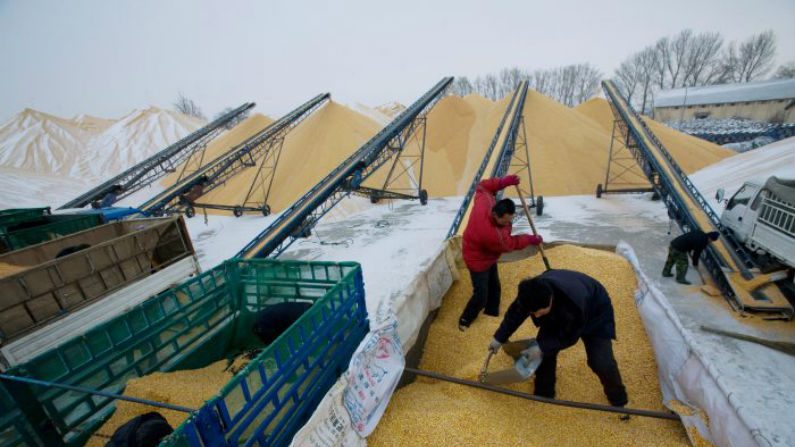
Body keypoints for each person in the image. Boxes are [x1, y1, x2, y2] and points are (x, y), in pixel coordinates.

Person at [488, 270, 628, 407]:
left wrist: (540, 348)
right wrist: (499, 337)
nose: (536, 316)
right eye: (532, 312)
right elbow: (515, 314)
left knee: (601, 362)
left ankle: (618, 400)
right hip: (564, 307)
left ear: (550, 300)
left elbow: (569, 336)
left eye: (539, 312)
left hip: (595, 312)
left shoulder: (573, 303)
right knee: (544, 353)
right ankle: (544, 394)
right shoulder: (530, 293)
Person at [458, 175, 543, 331]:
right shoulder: (493, 235)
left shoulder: (486, 201)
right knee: (481, 295)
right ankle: (465, 320)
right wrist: (530, 239)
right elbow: (511, 244)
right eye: (505, 221)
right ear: (496, 215)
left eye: (510, 220)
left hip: (487, 254)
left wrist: (503, 182)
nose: (508, 223)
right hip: (477, 259)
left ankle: (491, 314)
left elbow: (483, 186)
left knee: (495, 287)